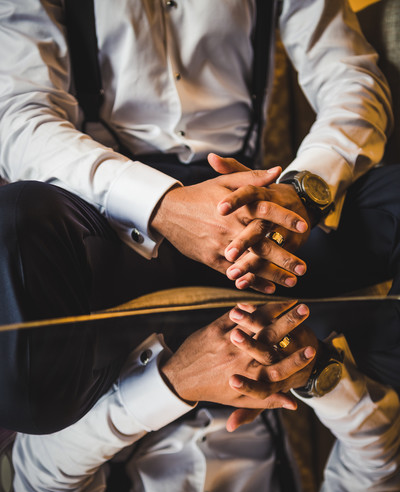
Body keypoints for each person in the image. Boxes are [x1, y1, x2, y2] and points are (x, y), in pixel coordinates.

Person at [0, 0, 399, 330]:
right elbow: (19, 117)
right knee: (18, 218)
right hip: (114, 220)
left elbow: (352, 81)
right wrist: (162, 205)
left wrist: (300, 192)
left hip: (261, 214)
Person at [11, 300, 400, 492]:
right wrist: (313, 374)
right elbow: (375, 463)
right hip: (286, 359)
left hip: (122, 353)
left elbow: (43, 477)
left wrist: (176, 383)